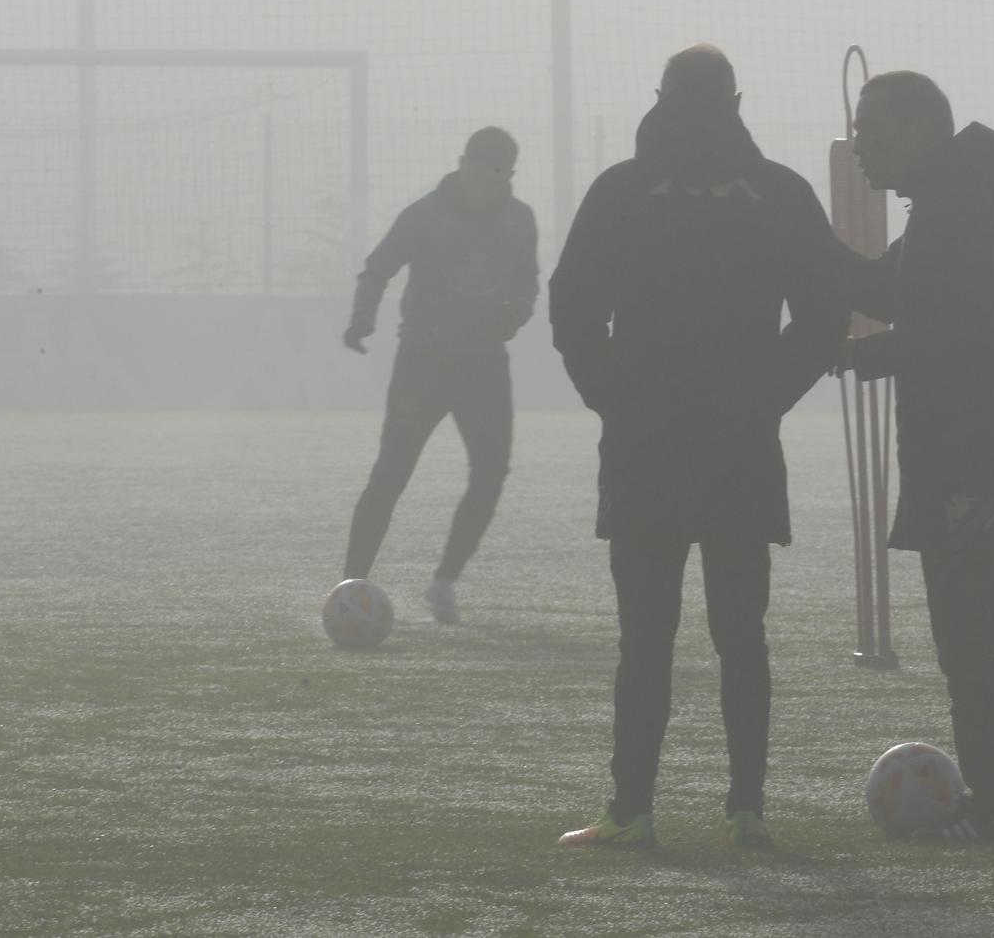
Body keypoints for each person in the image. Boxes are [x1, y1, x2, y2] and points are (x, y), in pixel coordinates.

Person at [549, 45, 846, 850]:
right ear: (737, 100)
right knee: (741, 634)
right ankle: (746, 810)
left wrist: (616, 397)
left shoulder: (622, 190)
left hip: (646, 445)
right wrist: (764, 399)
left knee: (645, 635)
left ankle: (631, 811)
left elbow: (572, 308)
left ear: (659, 97)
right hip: (740, 446)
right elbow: (825, 314)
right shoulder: (779, 193)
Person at [833, 70, 994, 841]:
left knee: (970, 639)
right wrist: (801, 248)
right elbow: (888, 289)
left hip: (968, 459)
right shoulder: (960, 201)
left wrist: (849, 357)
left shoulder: (957, 212)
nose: (859, 142)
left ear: (918, 127)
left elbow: (953, 338)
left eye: (873, 123)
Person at [340, 125, 539, 625]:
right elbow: (377, 268)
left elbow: (528, 282)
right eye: (473, 173)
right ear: (461, 164)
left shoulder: (520, 220)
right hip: (423, 365)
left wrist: (515, 313)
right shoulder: (425, 215)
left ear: (507, 176)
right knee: (391, 473)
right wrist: (363, 317)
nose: (480, 186)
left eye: (491, 177)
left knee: (491, 472)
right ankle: (351, 584)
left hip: (485, 366)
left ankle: (444, 581)